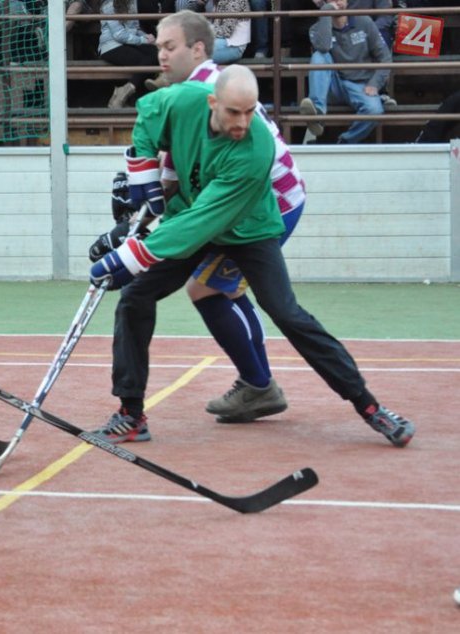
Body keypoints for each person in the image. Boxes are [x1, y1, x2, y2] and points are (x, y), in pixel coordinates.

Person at [87, 65, 415, 448]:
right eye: (233, 112)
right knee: (135, 298)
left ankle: (369, 405)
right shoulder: (184, 100)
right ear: (212, 102)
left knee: (286, 313)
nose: (243, 122)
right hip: (194, 217)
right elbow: (148, 112)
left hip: (249, 229)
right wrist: (142, 167)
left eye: (249, 111)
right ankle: (131, 414)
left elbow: (201, 222)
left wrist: (134, 255)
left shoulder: (255, 147)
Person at [92, 9, 306, 424]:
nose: (161, 56)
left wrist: (137, 241)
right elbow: (177, 180)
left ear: (198, 48)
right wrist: (132, 223)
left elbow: (192, 190)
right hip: (244, 204)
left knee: (207, 289)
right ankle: (257, 383)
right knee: (216, 289)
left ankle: (259, 385)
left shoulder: (207, 90)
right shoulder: (193, 90)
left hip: (266, 207)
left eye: (169, 47)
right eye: (157, 48)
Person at [298, 0, 391, 144]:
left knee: (374, 110)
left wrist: (375, 83)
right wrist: (325, 13)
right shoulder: (316, 28)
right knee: (319, 56)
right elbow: (323, 47)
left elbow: (385, 57)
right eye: (332, 0)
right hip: (332, 85)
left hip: (360, 85)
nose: (337, 3)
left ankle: (345, 142)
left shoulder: (364, 21)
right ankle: (317, 112)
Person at [98, 0, 158, 109]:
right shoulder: (109, 5)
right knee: (146, 61)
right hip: (111, 46)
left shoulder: (132, 2)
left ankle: (126, 92)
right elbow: (119, 35)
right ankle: (136, 100)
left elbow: (136, 28)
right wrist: (143, 40)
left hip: (130, 44)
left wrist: (147, 37)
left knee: (155, 53)